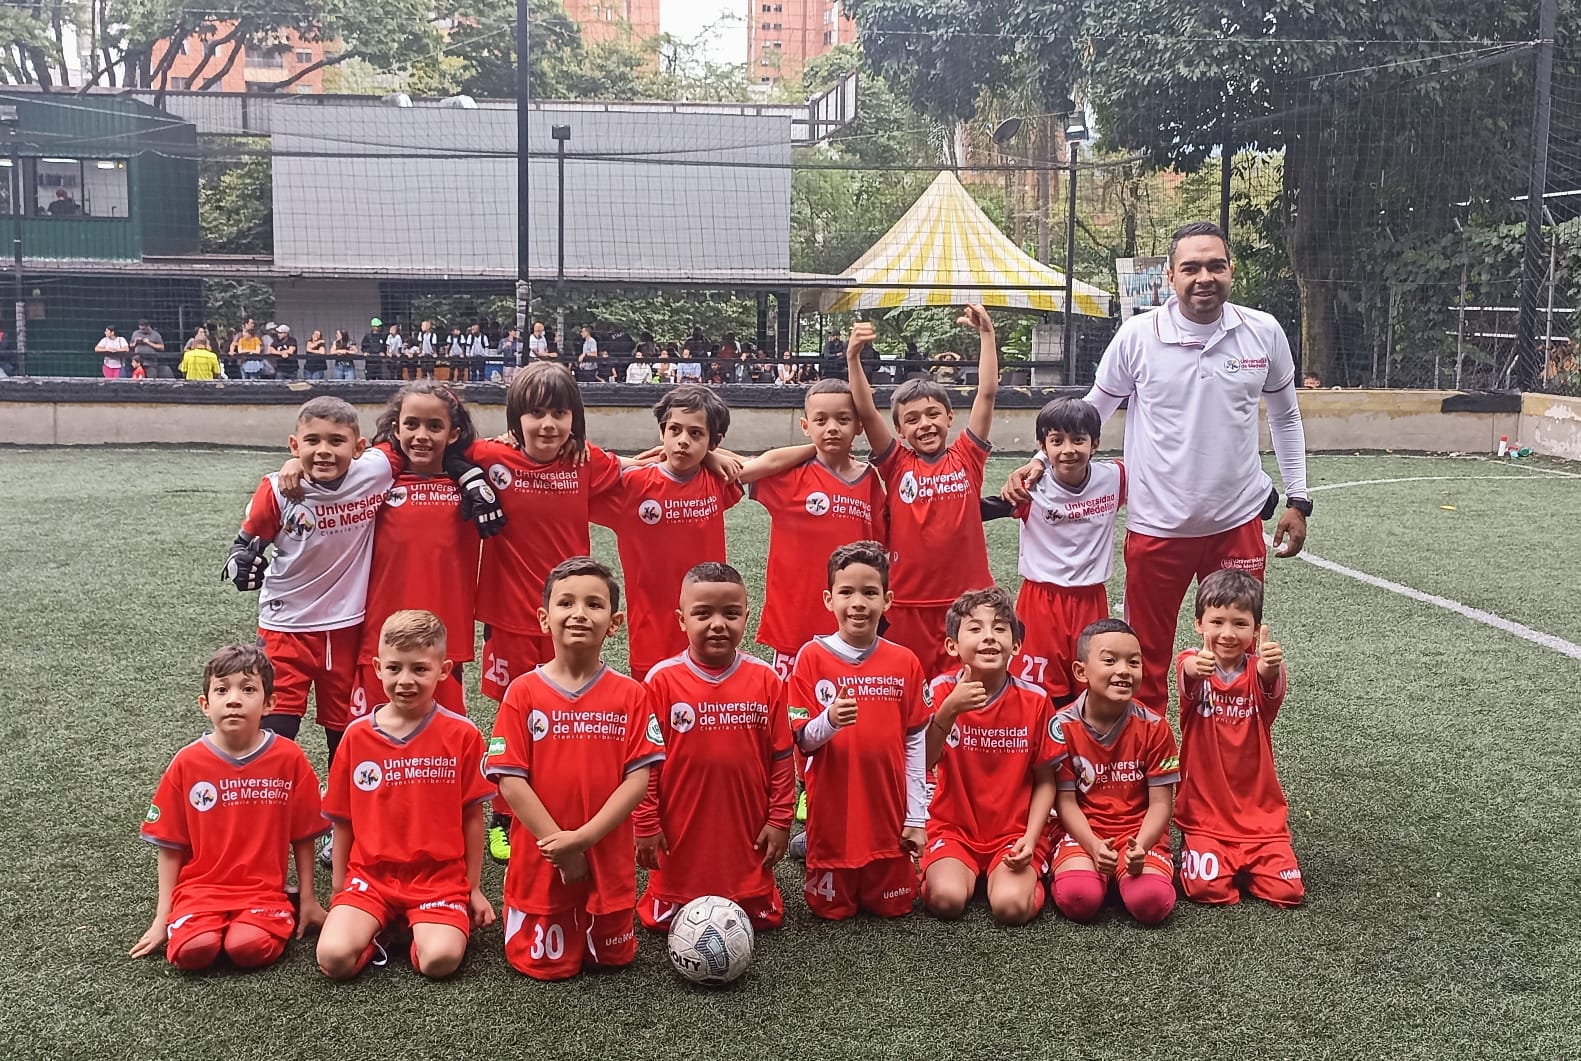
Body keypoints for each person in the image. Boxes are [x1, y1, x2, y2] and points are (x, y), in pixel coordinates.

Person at [1004, 221, 1310, 711]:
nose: (1204, 277)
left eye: (1215, 265)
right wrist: (1040, 461)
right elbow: (1093, 409)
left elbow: (1286, 416)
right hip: (1158, 528)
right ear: (1171, 276)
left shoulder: (1263, 331)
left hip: (1236, 525)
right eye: (1191, 267)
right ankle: (1147, 772)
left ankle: (1221, 769)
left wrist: (1298, 498)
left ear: (1231, 271)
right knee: (1144, 658)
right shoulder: (1138, 336)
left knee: (1233, 652)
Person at [465, 363, 626, 861]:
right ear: (516, 419)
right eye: (536, 414)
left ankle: (569, 803)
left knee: (570, 713)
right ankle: (502, 818)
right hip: (512, 618)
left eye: (559, 413)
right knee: (513, 718)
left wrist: (717, 455)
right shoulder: (488, 457)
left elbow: (648, 468)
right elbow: (436, 451)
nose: (548, 425)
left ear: (575, 419)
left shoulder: (586, 462)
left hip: (572, 619)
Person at [484, 558, 665, 980]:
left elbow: (638, 780)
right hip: (542, 863)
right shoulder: (522, 692)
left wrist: (582, 840)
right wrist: (563, 850)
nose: (580, 613)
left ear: (615, 622)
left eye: (594, 604)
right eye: (566, 602)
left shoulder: (631, 695)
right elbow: (510, 781)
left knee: (614, 962)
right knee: (548, 969)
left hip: (607, 861)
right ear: (544, 619)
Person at [316, 611, 496, 980]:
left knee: (440, 962)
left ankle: (415, 933)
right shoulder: (356, 736)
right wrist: (339, 889)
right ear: (378, 667)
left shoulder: (462, 735)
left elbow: (472, 818)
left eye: (419, 669)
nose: (405, 681)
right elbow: (343, 820)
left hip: (439, 879)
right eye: (395, 668)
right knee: (333, 959)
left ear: (444, 670)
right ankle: (380, 930)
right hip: (371, 877)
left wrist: (473, 888)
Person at [131, 645, 328, 970]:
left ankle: (271, 912)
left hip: (263, 892)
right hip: (200, 891)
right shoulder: (187, 762)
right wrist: (161, 917)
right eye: (222, 690)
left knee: (248, 947)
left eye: (248, 689)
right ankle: (201, 926)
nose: (234, 699)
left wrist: (308, 899)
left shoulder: (288, 757)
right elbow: (170, 844)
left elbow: (303, 835)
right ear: (206, 705)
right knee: (194, 951)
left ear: (269, 704)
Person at [634, 563, 795, 931]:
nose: (718, 624)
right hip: (680, 834)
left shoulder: (767, 680)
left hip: (747, 831)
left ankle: (749, 888)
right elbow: (643, 763)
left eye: (731, 613)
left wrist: (780, 819)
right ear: (681, 619)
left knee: (764, 922)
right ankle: (676, 891)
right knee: (661, 925)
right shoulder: (661, 681)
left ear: (747, 617)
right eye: (703, 613)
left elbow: (782, 758)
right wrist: (645, 822)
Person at [846, 306, 998, 676]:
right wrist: (853, 358)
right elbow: (866, 413)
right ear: (899, 430)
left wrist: (987, 336)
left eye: (933, 414)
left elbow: (988, 394)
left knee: (964, 690)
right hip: (908, 601)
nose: (925, 424)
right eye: (912, 419)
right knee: (911, 687)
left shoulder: (967, 456)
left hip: (967, 601)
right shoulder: (897, 463)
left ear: (949, 417)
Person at [789, 542, 928, 920]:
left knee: (894, 909)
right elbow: (801, 740)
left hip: (889, 820)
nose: (858, 603)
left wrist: (916, 818)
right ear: (828, 598)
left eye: (870, 592)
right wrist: (830, 720)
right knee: (831, 912)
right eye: (846, 592)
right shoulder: (811, 657)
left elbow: (916, 742)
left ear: (888, 600)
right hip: (834, 821)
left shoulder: (905, 661)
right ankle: (812, 846)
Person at [922, 588, 1061, 924]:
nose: (988, 637)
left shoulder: (1036, 700)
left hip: (1014, 832)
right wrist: (948, 712)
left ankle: (1025, 879)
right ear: (952, 646)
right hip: (953, 828)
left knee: (1010, 908)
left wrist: (1029, 838)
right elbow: (921, 763)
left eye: (1000, 628)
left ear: (1015, 644)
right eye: (975, 628)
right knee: (946, 900)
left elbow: (1046, 780)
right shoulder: (940, 690)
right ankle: (952, 871)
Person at [589, 385, 745, 679]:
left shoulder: (716, 479)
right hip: (651, 635)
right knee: (653, 719)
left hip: (710, 630)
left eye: (696, 434)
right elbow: (579, 468)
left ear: (714, 441)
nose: (683, 441)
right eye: (675, 430)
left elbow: (754, 466)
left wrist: (711, 457)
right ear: (662, 432)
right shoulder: (632, 487)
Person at [353, 382, 486, 724]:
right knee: (376, 736)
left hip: (445, 643)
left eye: (434, 426)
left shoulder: (473, 487)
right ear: (396, 428)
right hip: (380, 641)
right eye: (411, 424)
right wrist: (291, 468)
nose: (421, 435)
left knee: (444, 742)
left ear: (454, 433)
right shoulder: (374, 482)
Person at [1174, 569, 1303, 907]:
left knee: (1288, 893)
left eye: (1240, 624)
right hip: (1206, 814)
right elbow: (1189, 668)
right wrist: (1195, 665)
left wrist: (1269, 667)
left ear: (1256, 630)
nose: (1227, 633)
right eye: (1217, 622)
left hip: (1260, 817)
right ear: (1198, 624)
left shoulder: (1261, 669)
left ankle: (1257, 858)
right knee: (1208, 890)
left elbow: (1266, 677)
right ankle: (1202, 845)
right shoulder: (1193, 663)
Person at [748, 378, 887, 683]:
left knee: (847, 711)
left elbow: (881, 551)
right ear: (805, 425)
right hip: (794, 622)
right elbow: (738, 468)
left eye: (843, 419)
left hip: (852, 620)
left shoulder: (870, 481)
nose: (832, 428)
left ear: (860, 425)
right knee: (788, 715)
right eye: (821, 420)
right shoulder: (786, 475)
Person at [990, 398, 1123, 706]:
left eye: (1078, 440)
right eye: (1056, 441)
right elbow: (977, 510)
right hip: (1041, 602)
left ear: (1096, 443)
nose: (1068, 450)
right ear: (1043, 446)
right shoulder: (1028, 487)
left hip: (1091, 600)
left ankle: (1087, 753)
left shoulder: (1115, 478)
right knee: (1041, 695)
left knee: (1093, 686)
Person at [1047, 618, 1179, 926]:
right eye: (1109, 660)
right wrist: (1093, 845)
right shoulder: (1060, 726)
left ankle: (1123, 873)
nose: (1123, 670)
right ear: (1081, 672)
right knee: (1080, 898)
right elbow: (1064, 802)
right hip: (1081, 833)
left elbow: (1161, 803)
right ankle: (1093, 873)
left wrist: (1141, 847)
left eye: (1134, 662)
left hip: (1138, 833)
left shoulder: (1156, 727)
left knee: (1151, 902)